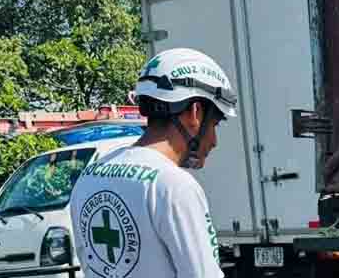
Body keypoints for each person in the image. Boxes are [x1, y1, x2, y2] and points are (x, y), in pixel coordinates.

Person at [69, 48, 237, 278]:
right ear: (195, 112)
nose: (214, 141)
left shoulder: (89, 177)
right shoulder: (173, 186)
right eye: (214, 125)